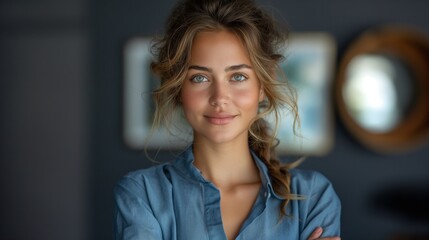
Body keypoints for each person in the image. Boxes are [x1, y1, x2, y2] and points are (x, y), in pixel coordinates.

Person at [114, 0, 341, 239]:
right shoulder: (142, 194)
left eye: (238, 76)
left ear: (262, 86)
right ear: (178, 89)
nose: (220, 98)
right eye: (200, 78)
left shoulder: (312, 197)